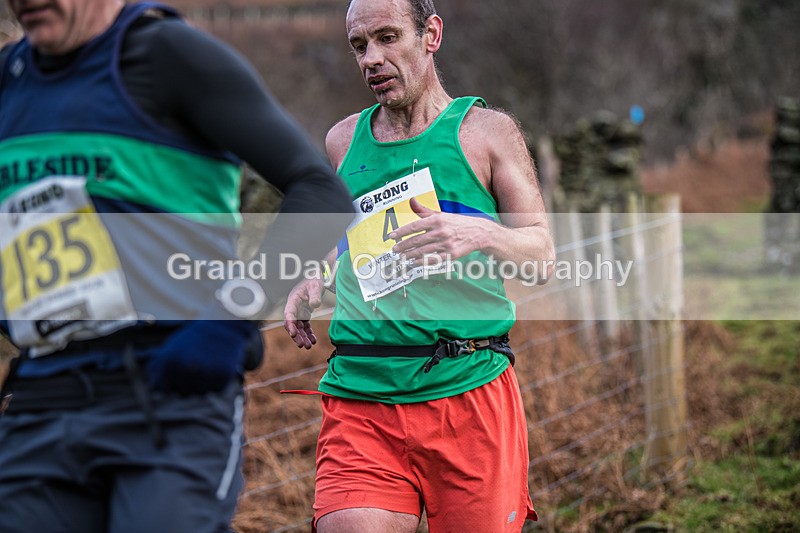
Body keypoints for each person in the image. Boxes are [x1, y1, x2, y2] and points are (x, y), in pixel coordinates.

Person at [0, 0, 353, 531]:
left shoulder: (166, 55)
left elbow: (321, 192)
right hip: (44, 397)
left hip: (170, 390)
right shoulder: (10, 81)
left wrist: (232, 317)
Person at [283, 0, 555, 531]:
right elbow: (347, 244)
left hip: (467, 390)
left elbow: (542, 255)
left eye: (387, 38)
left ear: (430, 34)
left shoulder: (487, 133)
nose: (371, 59)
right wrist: (314, 278)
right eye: (359, 46)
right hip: (363, 392)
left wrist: (479, 232)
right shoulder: (343, 141)